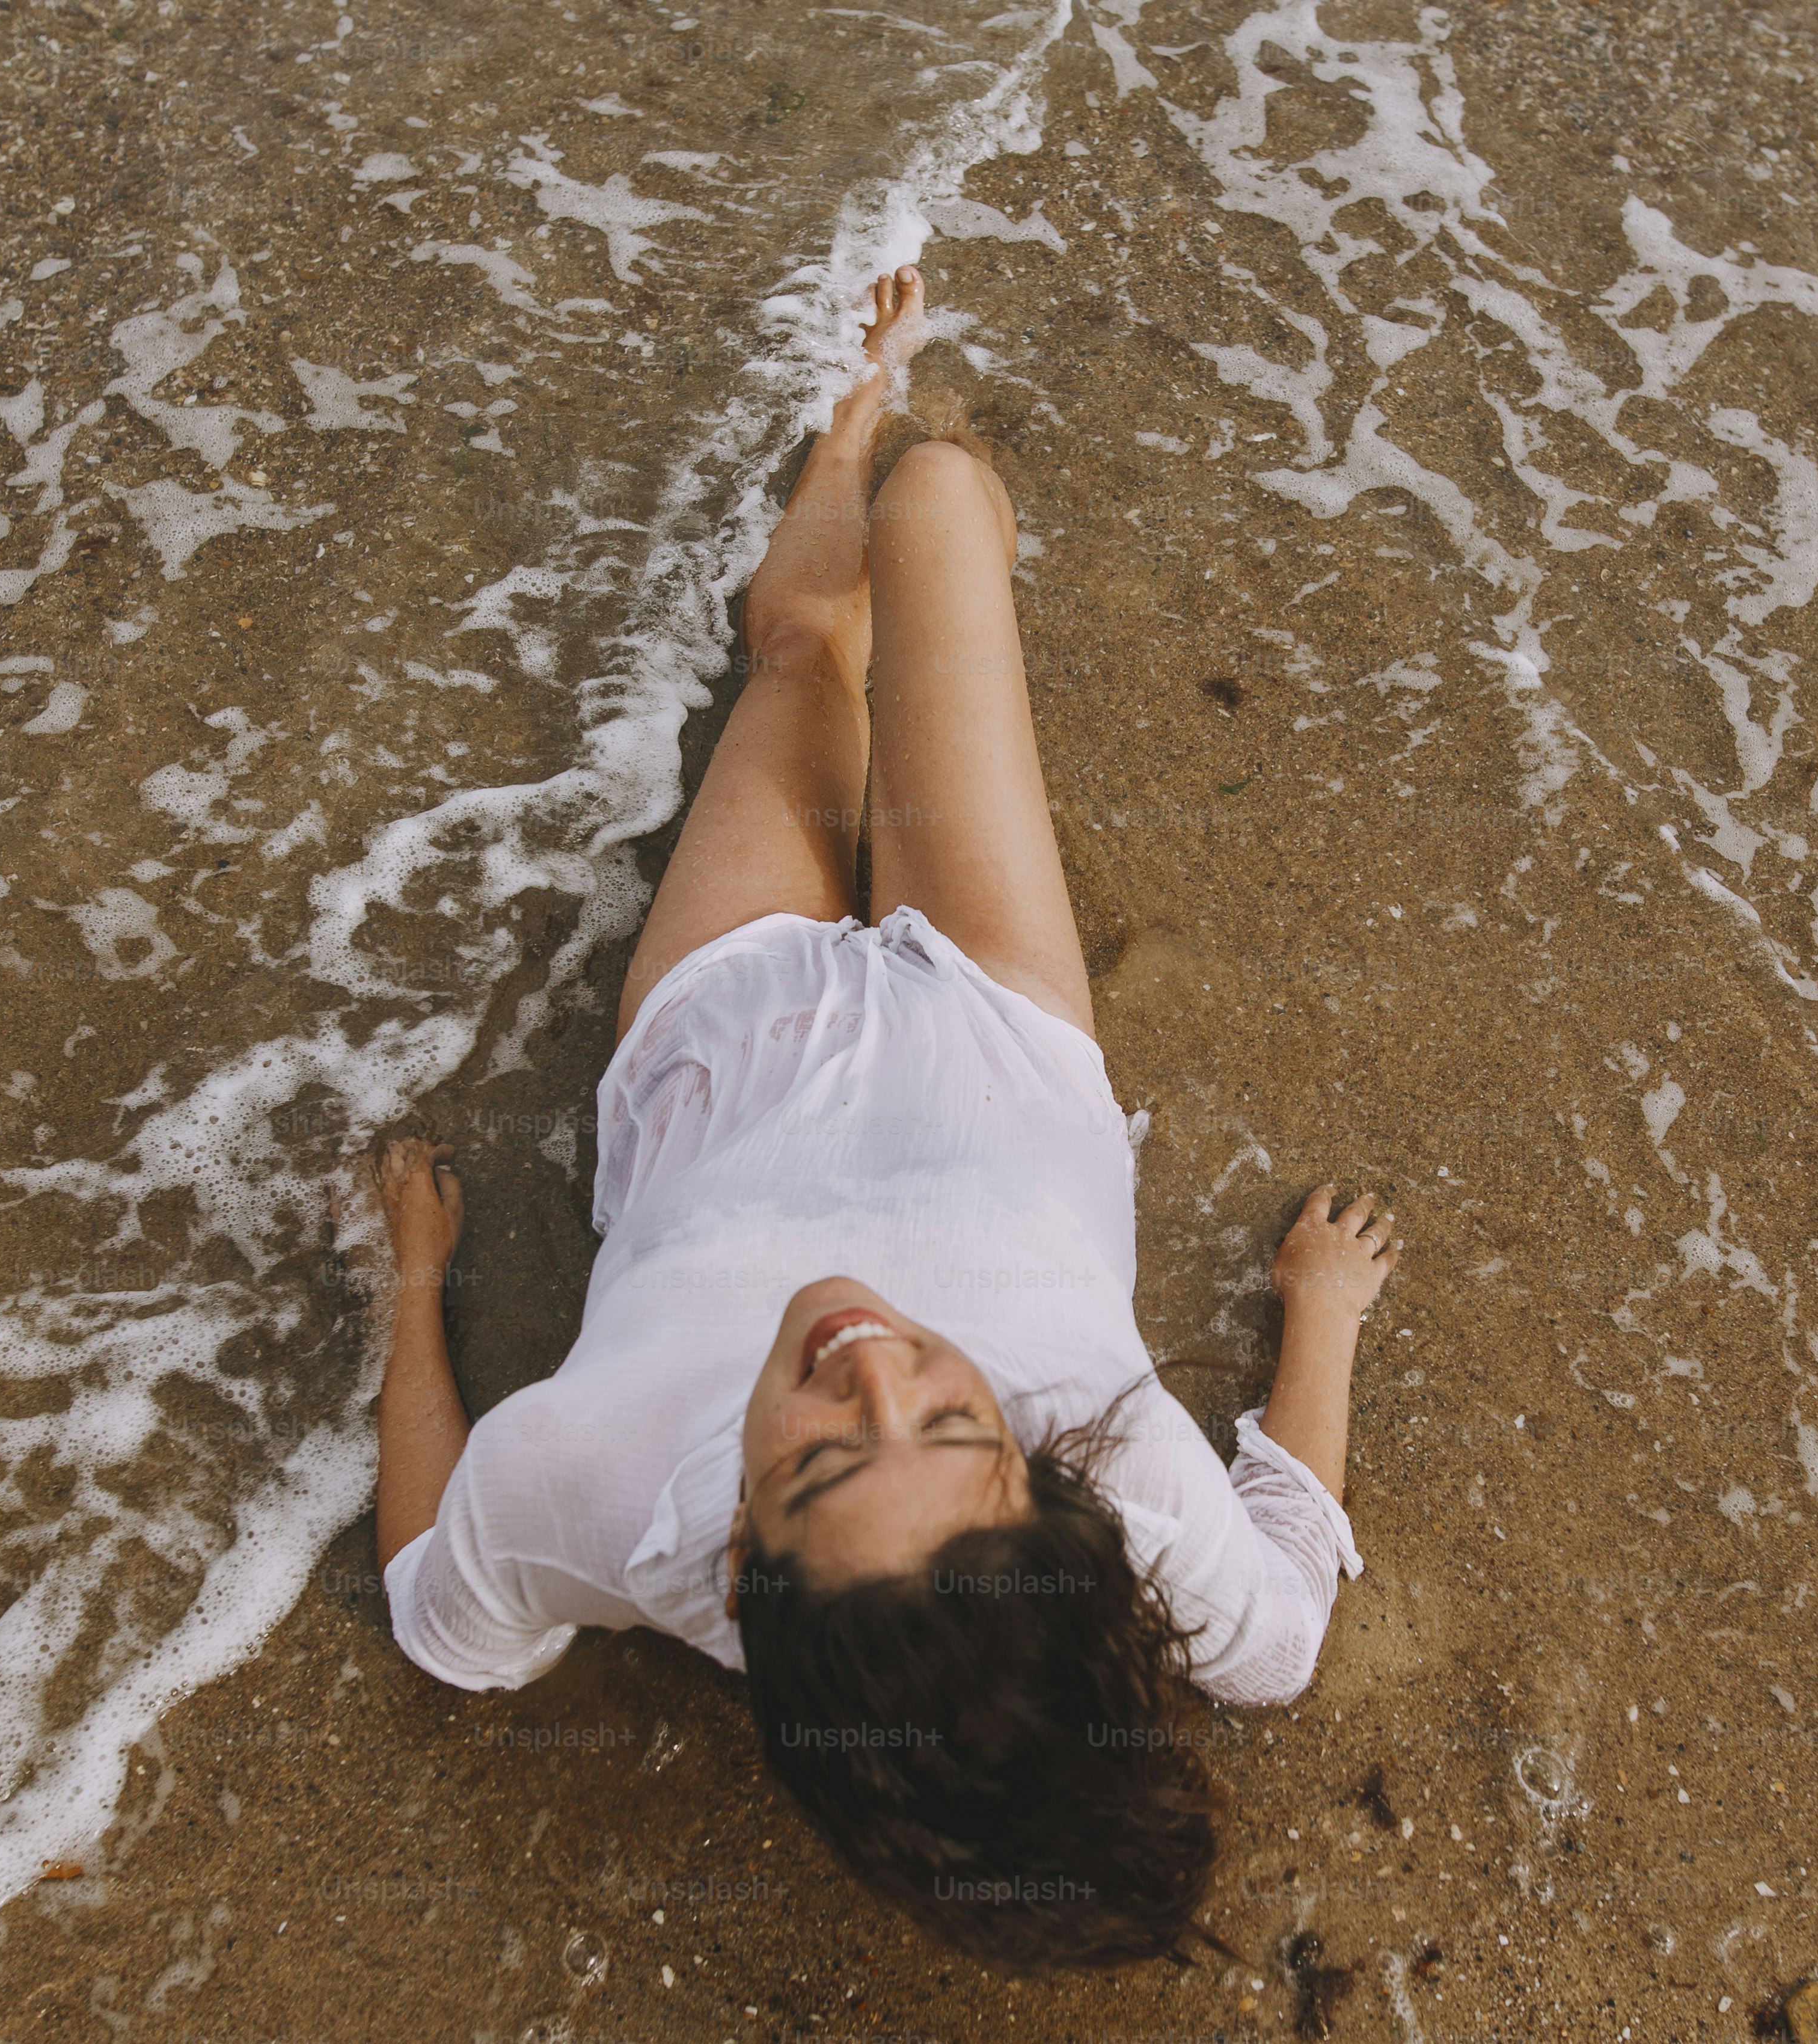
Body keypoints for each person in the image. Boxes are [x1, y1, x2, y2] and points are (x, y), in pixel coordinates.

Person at [360, 267, 1401, 1969]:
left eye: (826, 1456)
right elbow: (1280, 1621)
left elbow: (428, 1606)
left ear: (744, 1561)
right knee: (939, 498)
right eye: (957, 1428)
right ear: (1039, 1488)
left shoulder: (592, 1487)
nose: (872, 1359)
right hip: (993, 1010)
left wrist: (414, 1293)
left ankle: (841, 419)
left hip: (727, 1036)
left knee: (804, 645)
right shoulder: (1109, 1481)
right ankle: (882, 435)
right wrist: (1325, 1320)